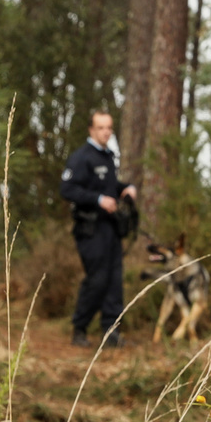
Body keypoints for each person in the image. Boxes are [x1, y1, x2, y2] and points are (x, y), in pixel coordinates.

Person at [59, 109, 136, 347]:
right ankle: (79, 329)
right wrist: (98, 200)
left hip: (111, 229)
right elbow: (67, 189)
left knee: (114, 280)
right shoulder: (81, 157)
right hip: (90, 230)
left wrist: (125, 188)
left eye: (109, 128)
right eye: (101, 128)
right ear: (91, 129)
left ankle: (111, 332)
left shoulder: (107, 156)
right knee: (98, 279)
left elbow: (108, 185)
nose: (105, 132)